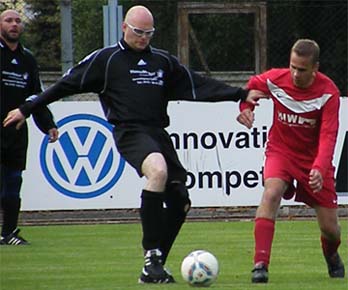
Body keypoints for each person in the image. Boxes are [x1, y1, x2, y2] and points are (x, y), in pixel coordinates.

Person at [3, 5, 264, 283]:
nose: (143, 38)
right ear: (124, 27)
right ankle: (150, 255)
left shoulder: (163, 62)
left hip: (157, 134)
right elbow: (63, 86)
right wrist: (27, 109)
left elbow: (199, 85)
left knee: (180, 202)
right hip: (128, 131)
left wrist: (241, 93)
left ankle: (154, 267)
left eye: (149, 33)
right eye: (138, 32)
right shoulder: (106, 60)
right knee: (158, 171)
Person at [237, 39, 345, 283]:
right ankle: (260, 264)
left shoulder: (329, 93)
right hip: (281, 151)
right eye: (293, 66)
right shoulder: (276, 78)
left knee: (330, 229)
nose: (295, 74)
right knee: (271, 192)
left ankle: (332, 255)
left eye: (302, 69)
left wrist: (319, 167)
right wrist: (246, 107)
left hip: (314, 160)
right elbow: (252, 87)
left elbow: (329, 136)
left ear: (315, 67)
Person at [0, 10, 59, 245]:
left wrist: (48, 124)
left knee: (13, 183)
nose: (14, 24)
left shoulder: (28, 59)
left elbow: (36, 96)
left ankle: (9, 233)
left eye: (17, 21)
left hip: (15, 132)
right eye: (8, 20)